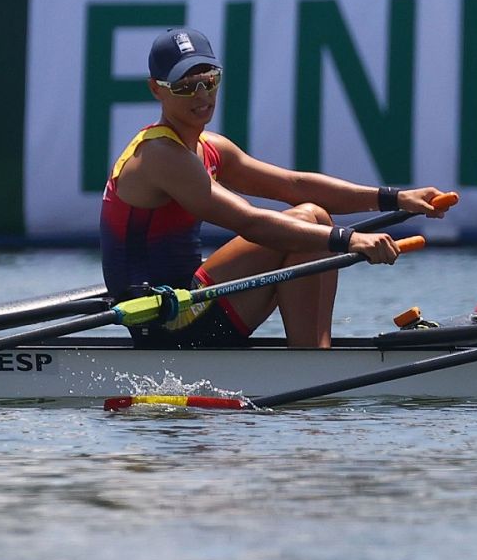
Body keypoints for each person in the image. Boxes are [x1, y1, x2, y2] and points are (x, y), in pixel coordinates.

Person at [102, 28, 450, 348]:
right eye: (184, 85)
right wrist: (351, 239)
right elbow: (250, 223)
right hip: (163, 321)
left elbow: (293, 184)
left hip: (193, 304)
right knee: (309, 221)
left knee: (312, 214)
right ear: (155, 88)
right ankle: (309, 362)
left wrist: (396, 198)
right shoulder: (160, 155)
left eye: (209, 80)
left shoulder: (211, 148)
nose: (201, 94)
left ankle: (314, 356)